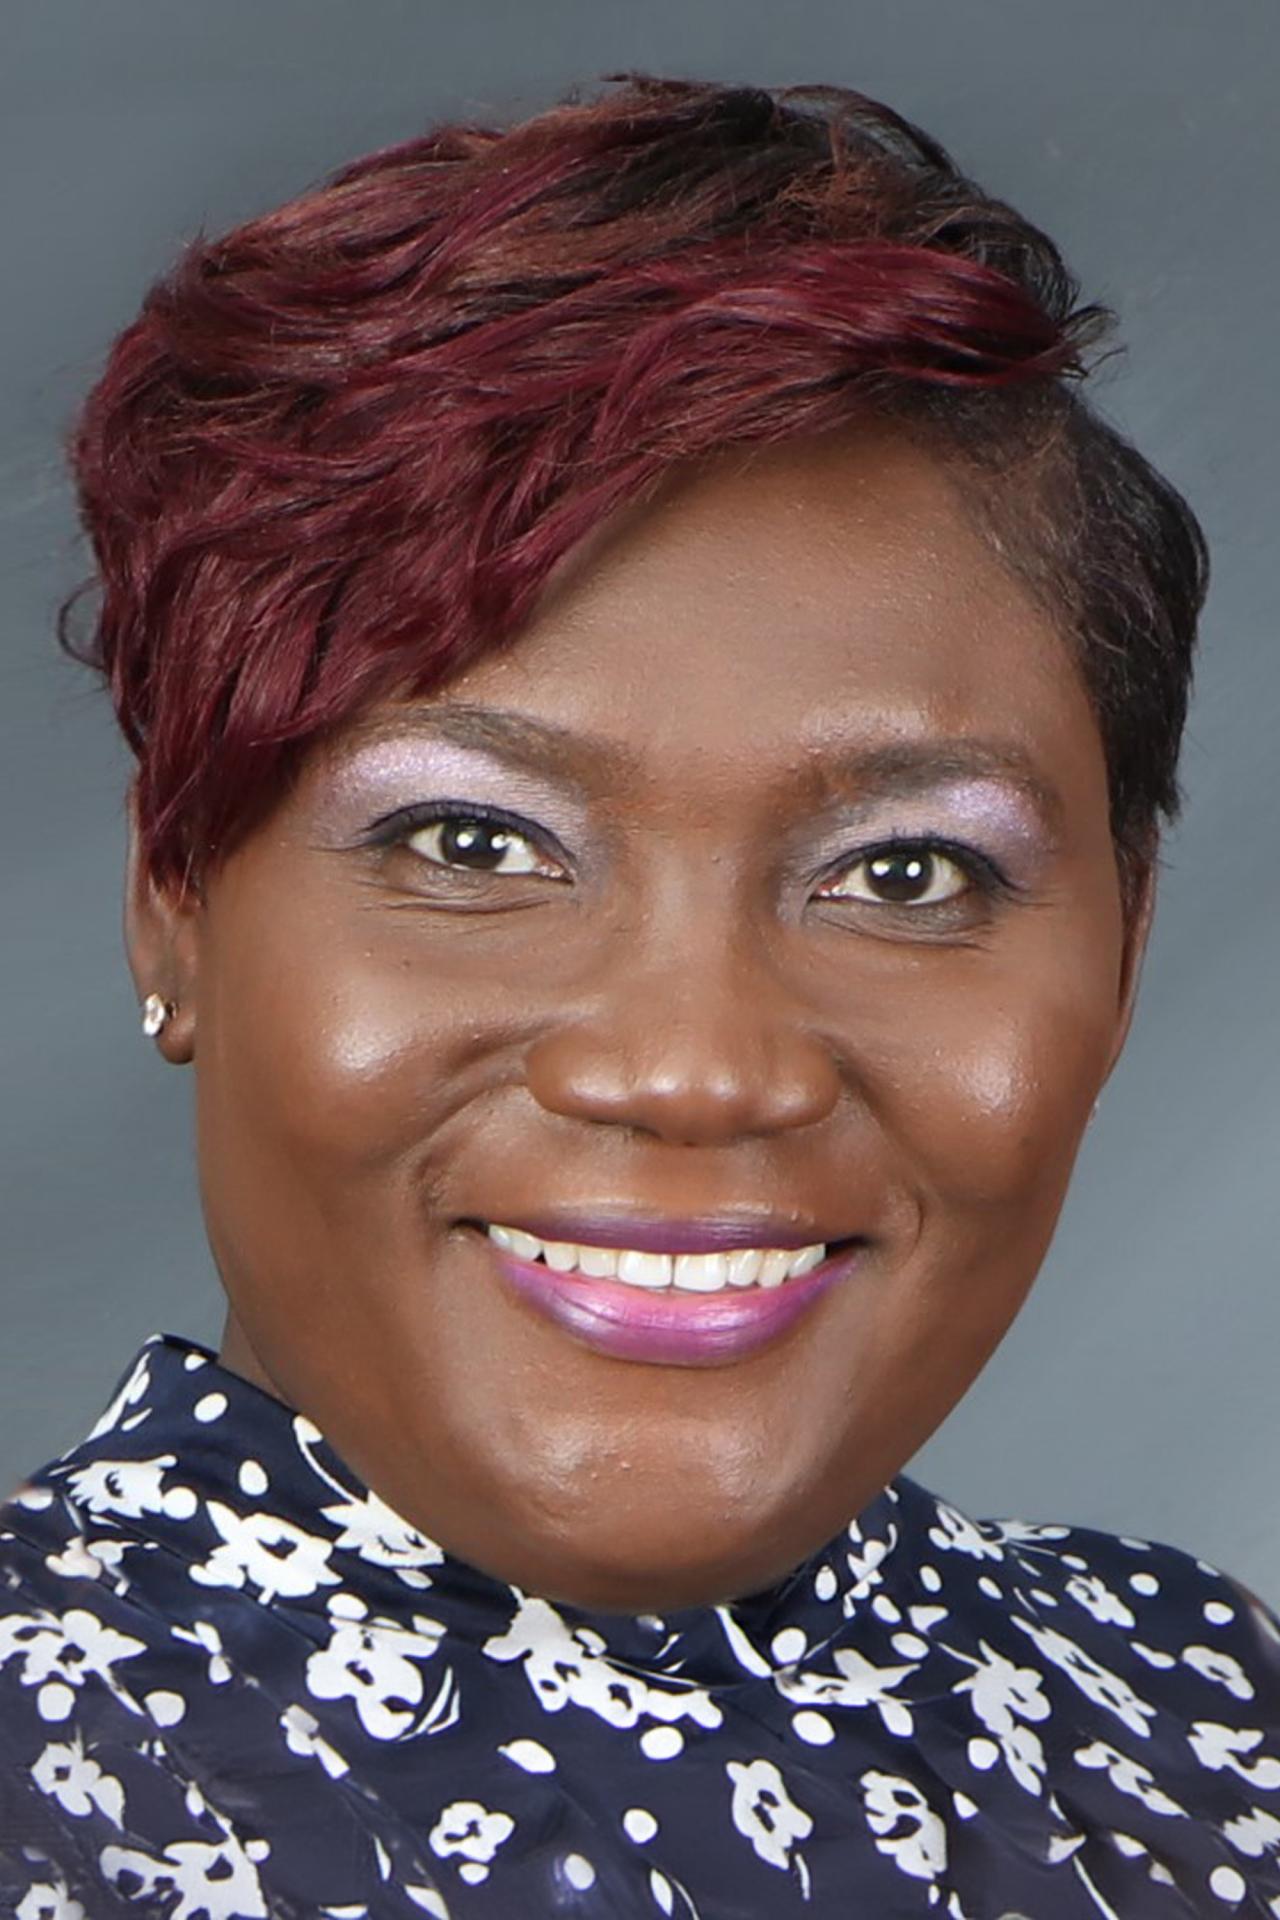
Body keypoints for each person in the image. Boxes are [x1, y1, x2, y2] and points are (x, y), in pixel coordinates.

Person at [1, 71, 1276, 1920]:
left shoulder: (1202, 1722)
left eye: (907, 874)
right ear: (175, 904)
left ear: (1126, 945)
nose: (695, 1070)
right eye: (471, 845)